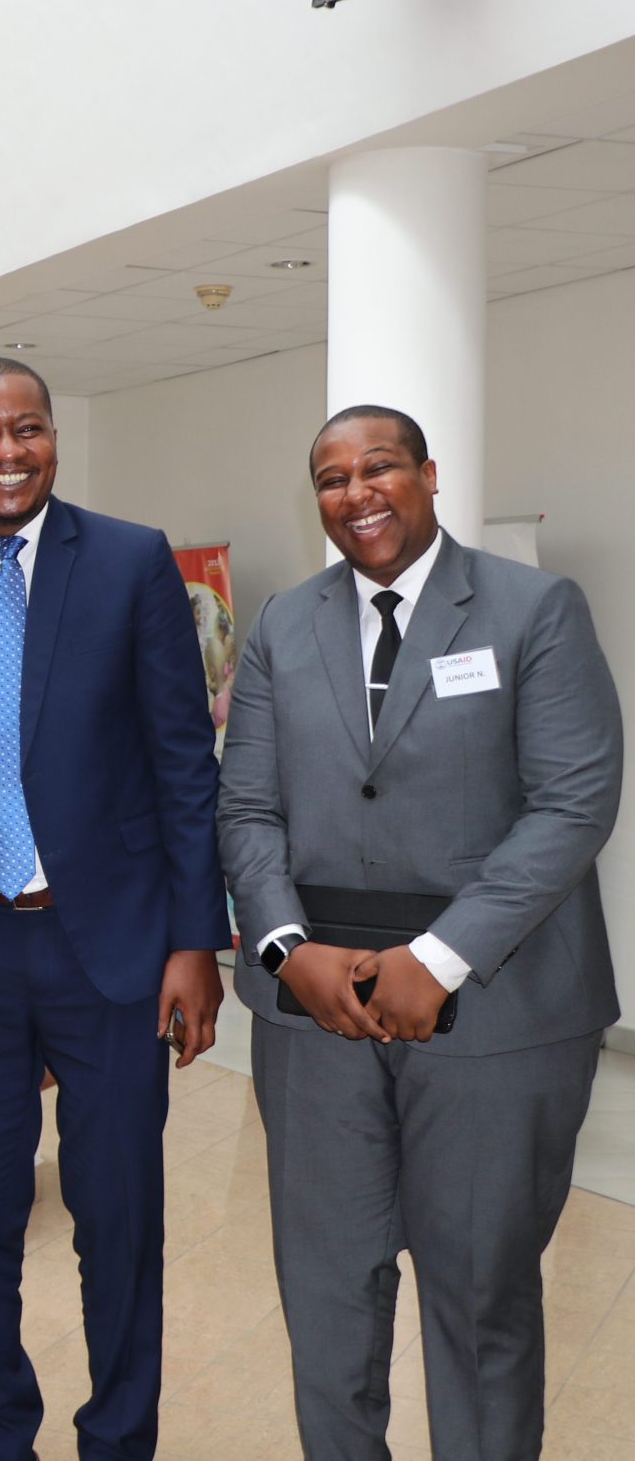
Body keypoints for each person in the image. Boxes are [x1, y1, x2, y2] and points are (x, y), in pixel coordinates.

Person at [218, 405, 623, 1459]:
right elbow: (246, 806)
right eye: (331, 477)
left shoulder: (531, 608)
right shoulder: (280, 623)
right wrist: (280, 951)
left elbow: (574, 800)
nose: (356, 493)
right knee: (325, 1294)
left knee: (478, 1294)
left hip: (498, 1006)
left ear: (428, 474)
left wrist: (436, 961)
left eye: (379, 467)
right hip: (315, 1014)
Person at [0, 358, 227, 1460]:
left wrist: (192, 938)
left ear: (54, 437)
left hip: (110, 946)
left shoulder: (127, 560)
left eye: (26, 430)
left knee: (117, 1221)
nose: (6, 451)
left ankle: (118, 1438)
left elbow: (181, 760)